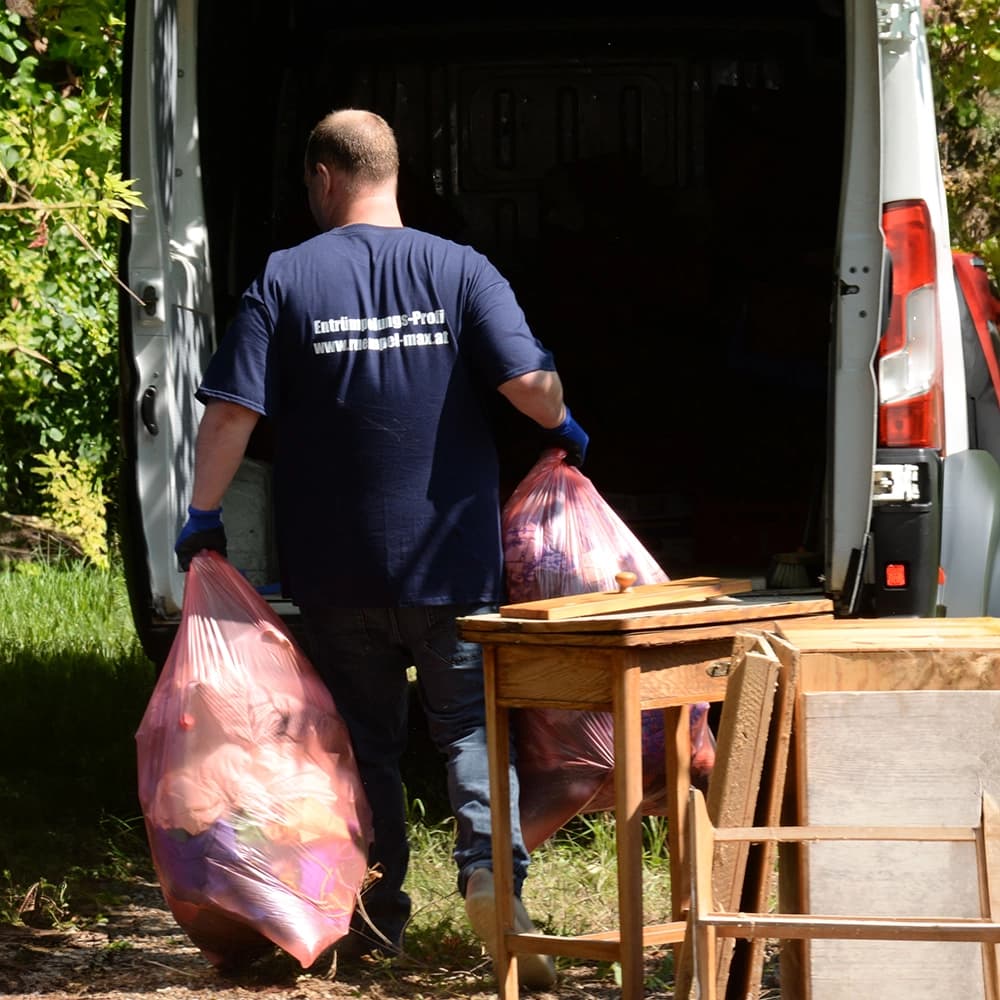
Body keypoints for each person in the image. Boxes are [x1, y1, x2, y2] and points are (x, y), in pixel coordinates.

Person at [174, 108, 589, 990]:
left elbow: (231, 415)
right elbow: (525, 383)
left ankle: (373, 919)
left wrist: (202, 515)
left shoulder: (284, 277)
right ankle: (491, 881)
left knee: (363, 746)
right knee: (471, 730)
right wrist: (562, 420)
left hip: (337, 568)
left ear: (325, 177)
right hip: (452, 564)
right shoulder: (461, 268)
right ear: (394, 174)